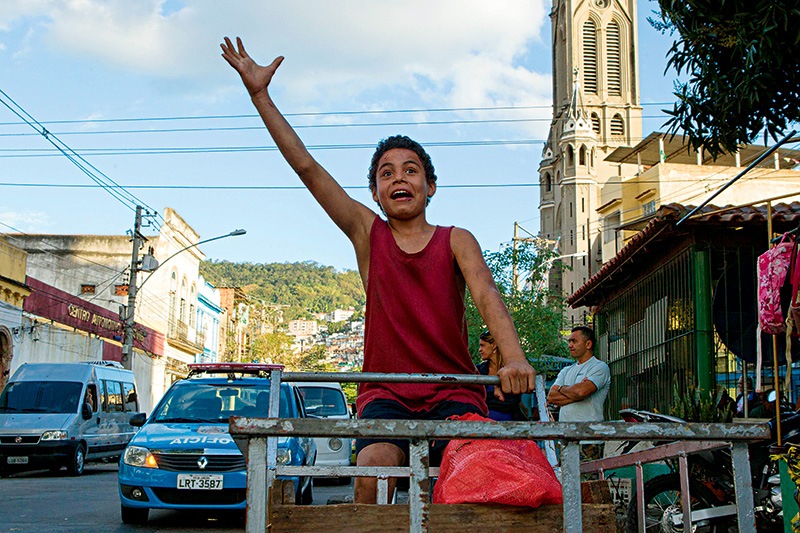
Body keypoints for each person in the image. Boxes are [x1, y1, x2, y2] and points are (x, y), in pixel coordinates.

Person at [220, 37, 536, 504]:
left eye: (411, 171)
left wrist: (513, 357)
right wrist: (260, 96)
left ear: (431, 186)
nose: (399, 178)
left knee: (470, 479)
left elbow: (489, 297)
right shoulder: (368, 233)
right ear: (374, 192)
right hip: (386, 391)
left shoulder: (457, 239)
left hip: (455, 392)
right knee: (373, 472)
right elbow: (307, 167)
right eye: (386, 173)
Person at [547, 326, 610, 461]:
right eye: (569, 341)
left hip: (589, 439)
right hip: (566, 438)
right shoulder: (566, 370)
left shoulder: (599, 367)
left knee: (587, 481)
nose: (570, 345)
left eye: (574, 341)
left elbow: (581, 392)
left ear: (588, 344)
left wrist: (562, 389)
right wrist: (574, 392)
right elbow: (551, 397)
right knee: (566, 481)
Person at [476, 330, 526, 421]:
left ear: (494, 345)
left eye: (482, 345)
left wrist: (485, 399)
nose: (480, 349)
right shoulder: (478, 370)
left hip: (510, 426)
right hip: (482, 424)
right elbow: (474, 399)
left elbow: (511, 402)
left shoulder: (512, 371)